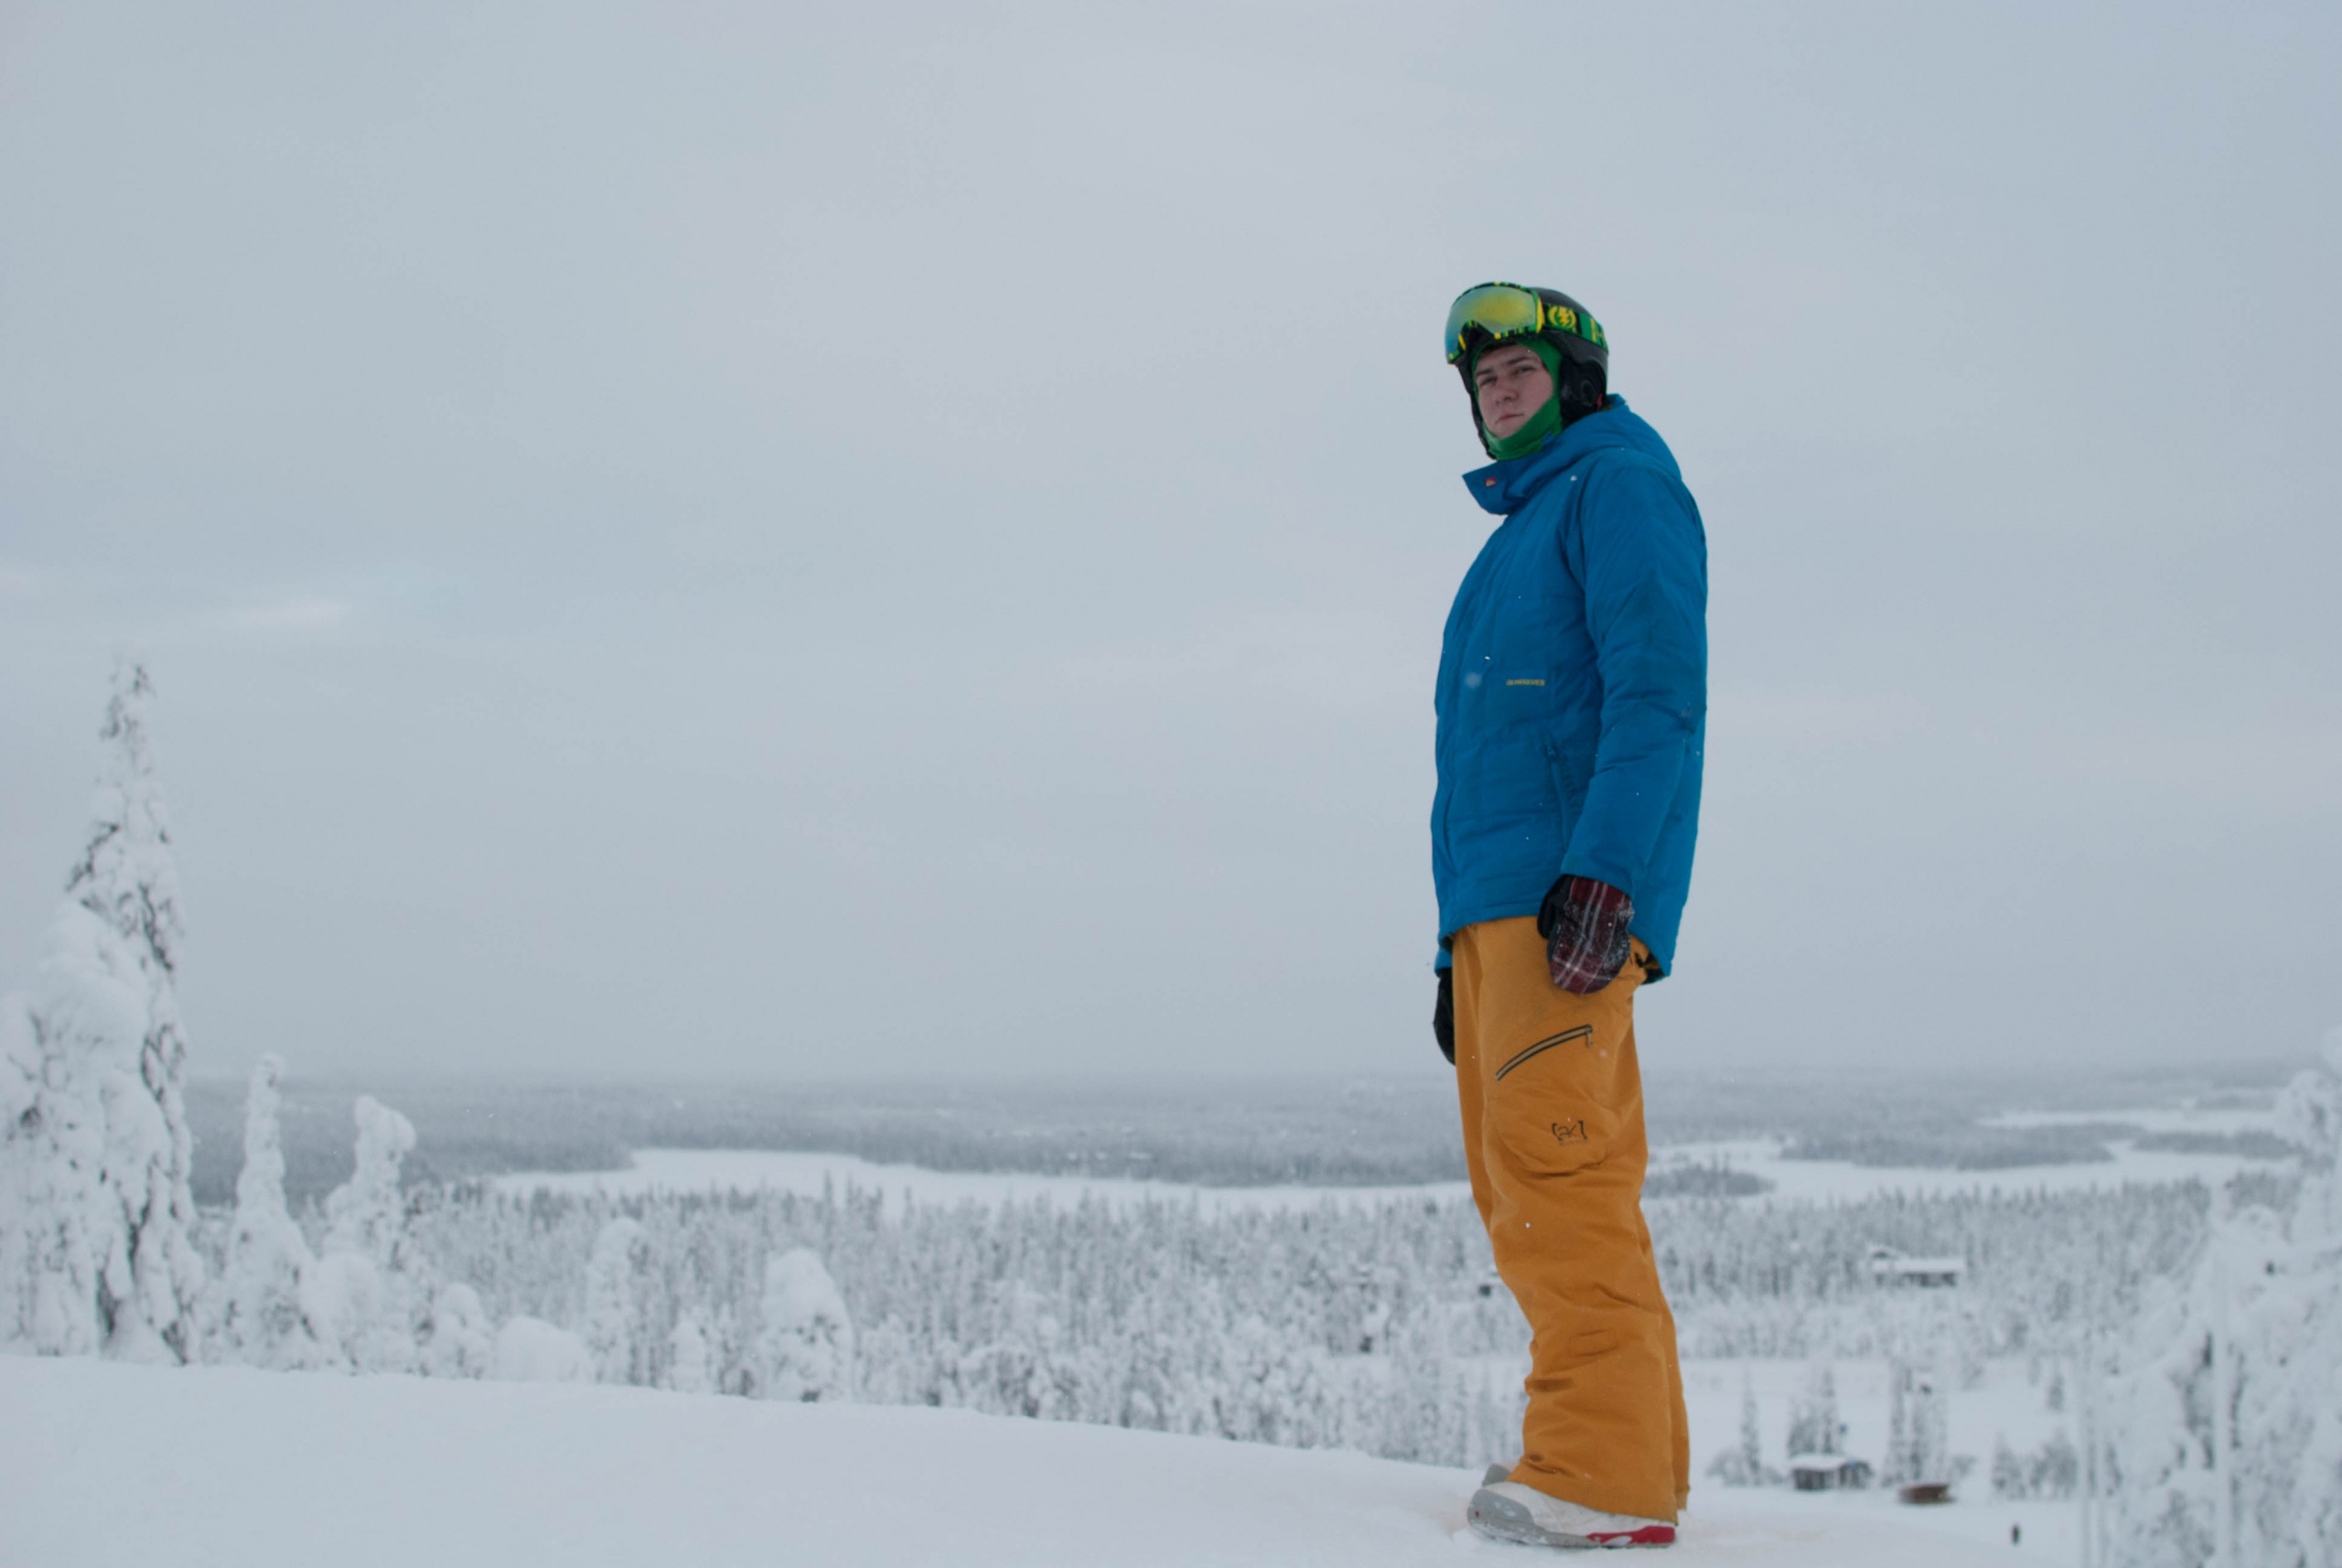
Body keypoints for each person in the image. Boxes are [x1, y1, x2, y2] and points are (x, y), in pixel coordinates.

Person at [1431, 283, 1707, 1550]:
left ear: (1576, 380)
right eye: (1484, 379)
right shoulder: (1525, 527)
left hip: (1563, 899)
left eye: (1521, 370)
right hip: (1501, 911)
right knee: (1526, 1180)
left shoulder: (1619, 488)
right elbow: (1494, 753)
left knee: (1558, 1176)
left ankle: (1598, 1475)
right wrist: (1456, 953)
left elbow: (1659, 693)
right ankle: (1628, 1460)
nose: (1500, 391)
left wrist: (1606, 874)